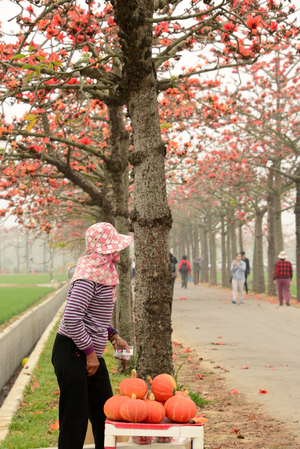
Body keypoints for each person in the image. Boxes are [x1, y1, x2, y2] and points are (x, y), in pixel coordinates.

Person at [52, 223, 132, 449]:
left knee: (106, 412)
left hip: (89, 352)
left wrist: (114, 337)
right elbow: (72, 318)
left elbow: (95, 316)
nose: (117, 253)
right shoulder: (88, 276)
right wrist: (90, 354)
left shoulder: (104, 273)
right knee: (75, 418)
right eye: (113, 248)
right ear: (104, 250)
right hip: (72, 350)